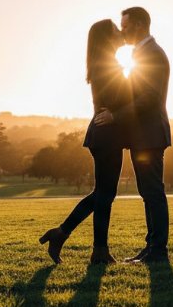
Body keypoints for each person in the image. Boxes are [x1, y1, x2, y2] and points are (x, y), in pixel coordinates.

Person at [38, 19, 129, 265]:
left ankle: (63, 235)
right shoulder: (106, 66)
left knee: (103, 193)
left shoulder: (106, 64)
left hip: (105, 135)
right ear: (107, 38)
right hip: (106, 135)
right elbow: (117, 101)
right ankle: (98, 251)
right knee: (105, 194)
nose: (121, 32)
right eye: (115, 30)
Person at [94, 6, 171, 263]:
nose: (123, 32)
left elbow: (149, 97)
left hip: (150, 134)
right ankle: (151, 248)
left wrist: (116, 115)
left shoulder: (153, 54)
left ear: (139, 25)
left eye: (125, 27)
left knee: (153, 192)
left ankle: (158, 251)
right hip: (143, 136)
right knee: (147, 192)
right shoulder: (141, 54)